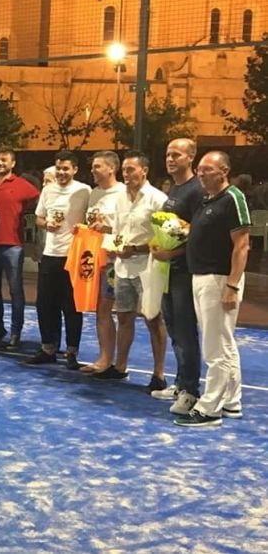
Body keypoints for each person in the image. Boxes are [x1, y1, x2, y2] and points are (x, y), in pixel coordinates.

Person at [175, 151, 250, 427]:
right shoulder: (208, 200)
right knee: (224, 344)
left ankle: (210, 409)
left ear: (224, 171)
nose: (201, 174)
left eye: (208, 169)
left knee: (214, 347)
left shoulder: (233, 198)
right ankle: (231, 401)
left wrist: (231, 285)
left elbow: (242, 245)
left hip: (218, 280)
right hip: (203, 278)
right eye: (200, 170)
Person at [96, 151, 168, 390]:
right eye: (124, 170)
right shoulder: (118, 199)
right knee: (124, 316)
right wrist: (109, 238)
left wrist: (136, 248)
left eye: (131, 170)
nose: (126, 175)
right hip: (122, 267)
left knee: (153, 319)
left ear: (144, 171)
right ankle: (120, 367)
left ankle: (159, 374)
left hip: (148, 268)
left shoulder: (157, 199)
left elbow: (166, 239)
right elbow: (117, 231)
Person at [150, 139, 205, 414]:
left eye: (176, 154)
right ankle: (180, 382)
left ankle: (191, 391)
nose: (170, 159)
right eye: (167, 154)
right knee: (172, 328)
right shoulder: (174, 189)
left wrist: (171, 255)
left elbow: (198, 234)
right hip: (167, 271)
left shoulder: (196, 190)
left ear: (191, 157)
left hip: (184, 272)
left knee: (185, 332)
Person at [28, 151, 90, 369]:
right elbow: (38, 217)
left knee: (72, 306)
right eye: (59, 168)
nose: (62, 172)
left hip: (74, 256)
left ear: (75, 169)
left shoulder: (84, 191)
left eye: (66, 168)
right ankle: (48, 348)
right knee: (45, 304)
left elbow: (92, 219)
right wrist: (47, 225)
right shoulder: (48, 190)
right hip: (50, 254)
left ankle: (72, 351)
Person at [0, 146, 40, 348]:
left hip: (13, 245)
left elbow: (40, 202)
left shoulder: (24, 186)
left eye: (4, 160)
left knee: (15, 290)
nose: (0, 163)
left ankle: (15, 333)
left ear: (12, 163)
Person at [79, 151, 126, 374]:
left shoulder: (124, 194)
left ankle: (114, 361)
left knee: (110, 309)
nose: (93, 170)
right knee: (100, 310)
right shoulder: (95, 193)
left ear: (111, 168)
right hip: (94, 259)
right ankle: (104, 357)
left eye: (97, 166)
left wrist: (105, 229)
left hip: (114, 260)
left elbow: (126, 229)